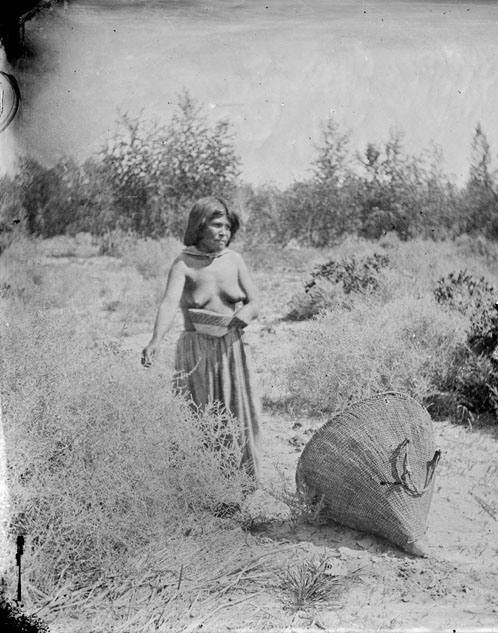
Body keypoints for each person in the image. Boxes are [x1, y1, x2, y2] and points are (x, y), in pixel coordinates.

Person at [141, 197, 261, 482]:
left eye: (228, 227)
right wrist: (155, 340)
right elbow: (169, 303)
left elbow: (255, 300)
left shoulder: (234, 260)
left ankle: (240, 484)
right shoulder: (183, 264)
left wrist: (246, 313)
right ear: (199, 226)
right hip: (196, 351)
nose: (224, 233)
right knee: (200, 414)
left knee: (237, 413)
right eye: (216, 226)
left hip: (232, 348)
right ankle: (203, 484)